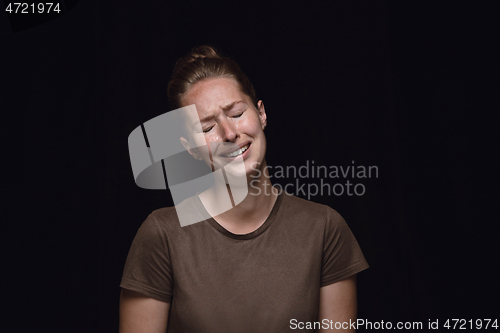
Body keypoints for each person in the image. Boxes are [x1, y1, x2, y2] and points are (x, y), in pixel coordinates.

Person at [119, 45, 369, 332]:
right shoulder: (161, 234)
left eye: (236, 113)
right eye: (206, 128)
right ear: (190, 149)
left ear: (261, 113)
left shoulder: (324, 228)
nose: (229, 133)